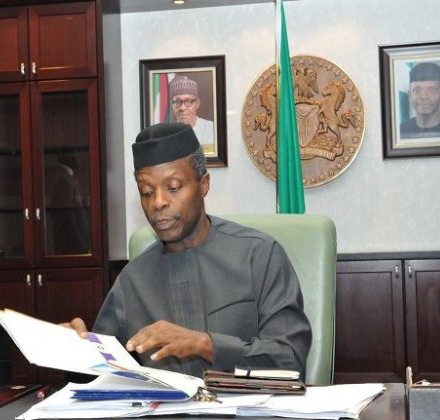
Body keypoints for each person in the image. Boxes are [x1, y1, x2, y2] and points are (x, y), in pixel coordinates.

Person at [62, 122, 312, 380]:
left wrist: (205, 344)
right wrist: (71, 349)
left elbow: (290, 360)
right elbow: (99, 373)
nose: (158, 202)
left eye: (173, 187)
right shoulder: (132, 280)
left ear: (203, 184)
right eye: (146, 192)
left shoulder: (259, 255)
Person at [400, 62, 440, 138]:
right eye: (417, 90)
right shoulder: (401, 131)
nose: (424, 96)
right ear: (410, 94)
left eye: (432, 90)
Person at [168, 75, 214, 146]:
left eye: (188, 101)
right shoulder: (166, 134)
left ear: (197, 103)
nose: (182, 108)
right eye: (177, 102)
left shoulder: (212, 129)